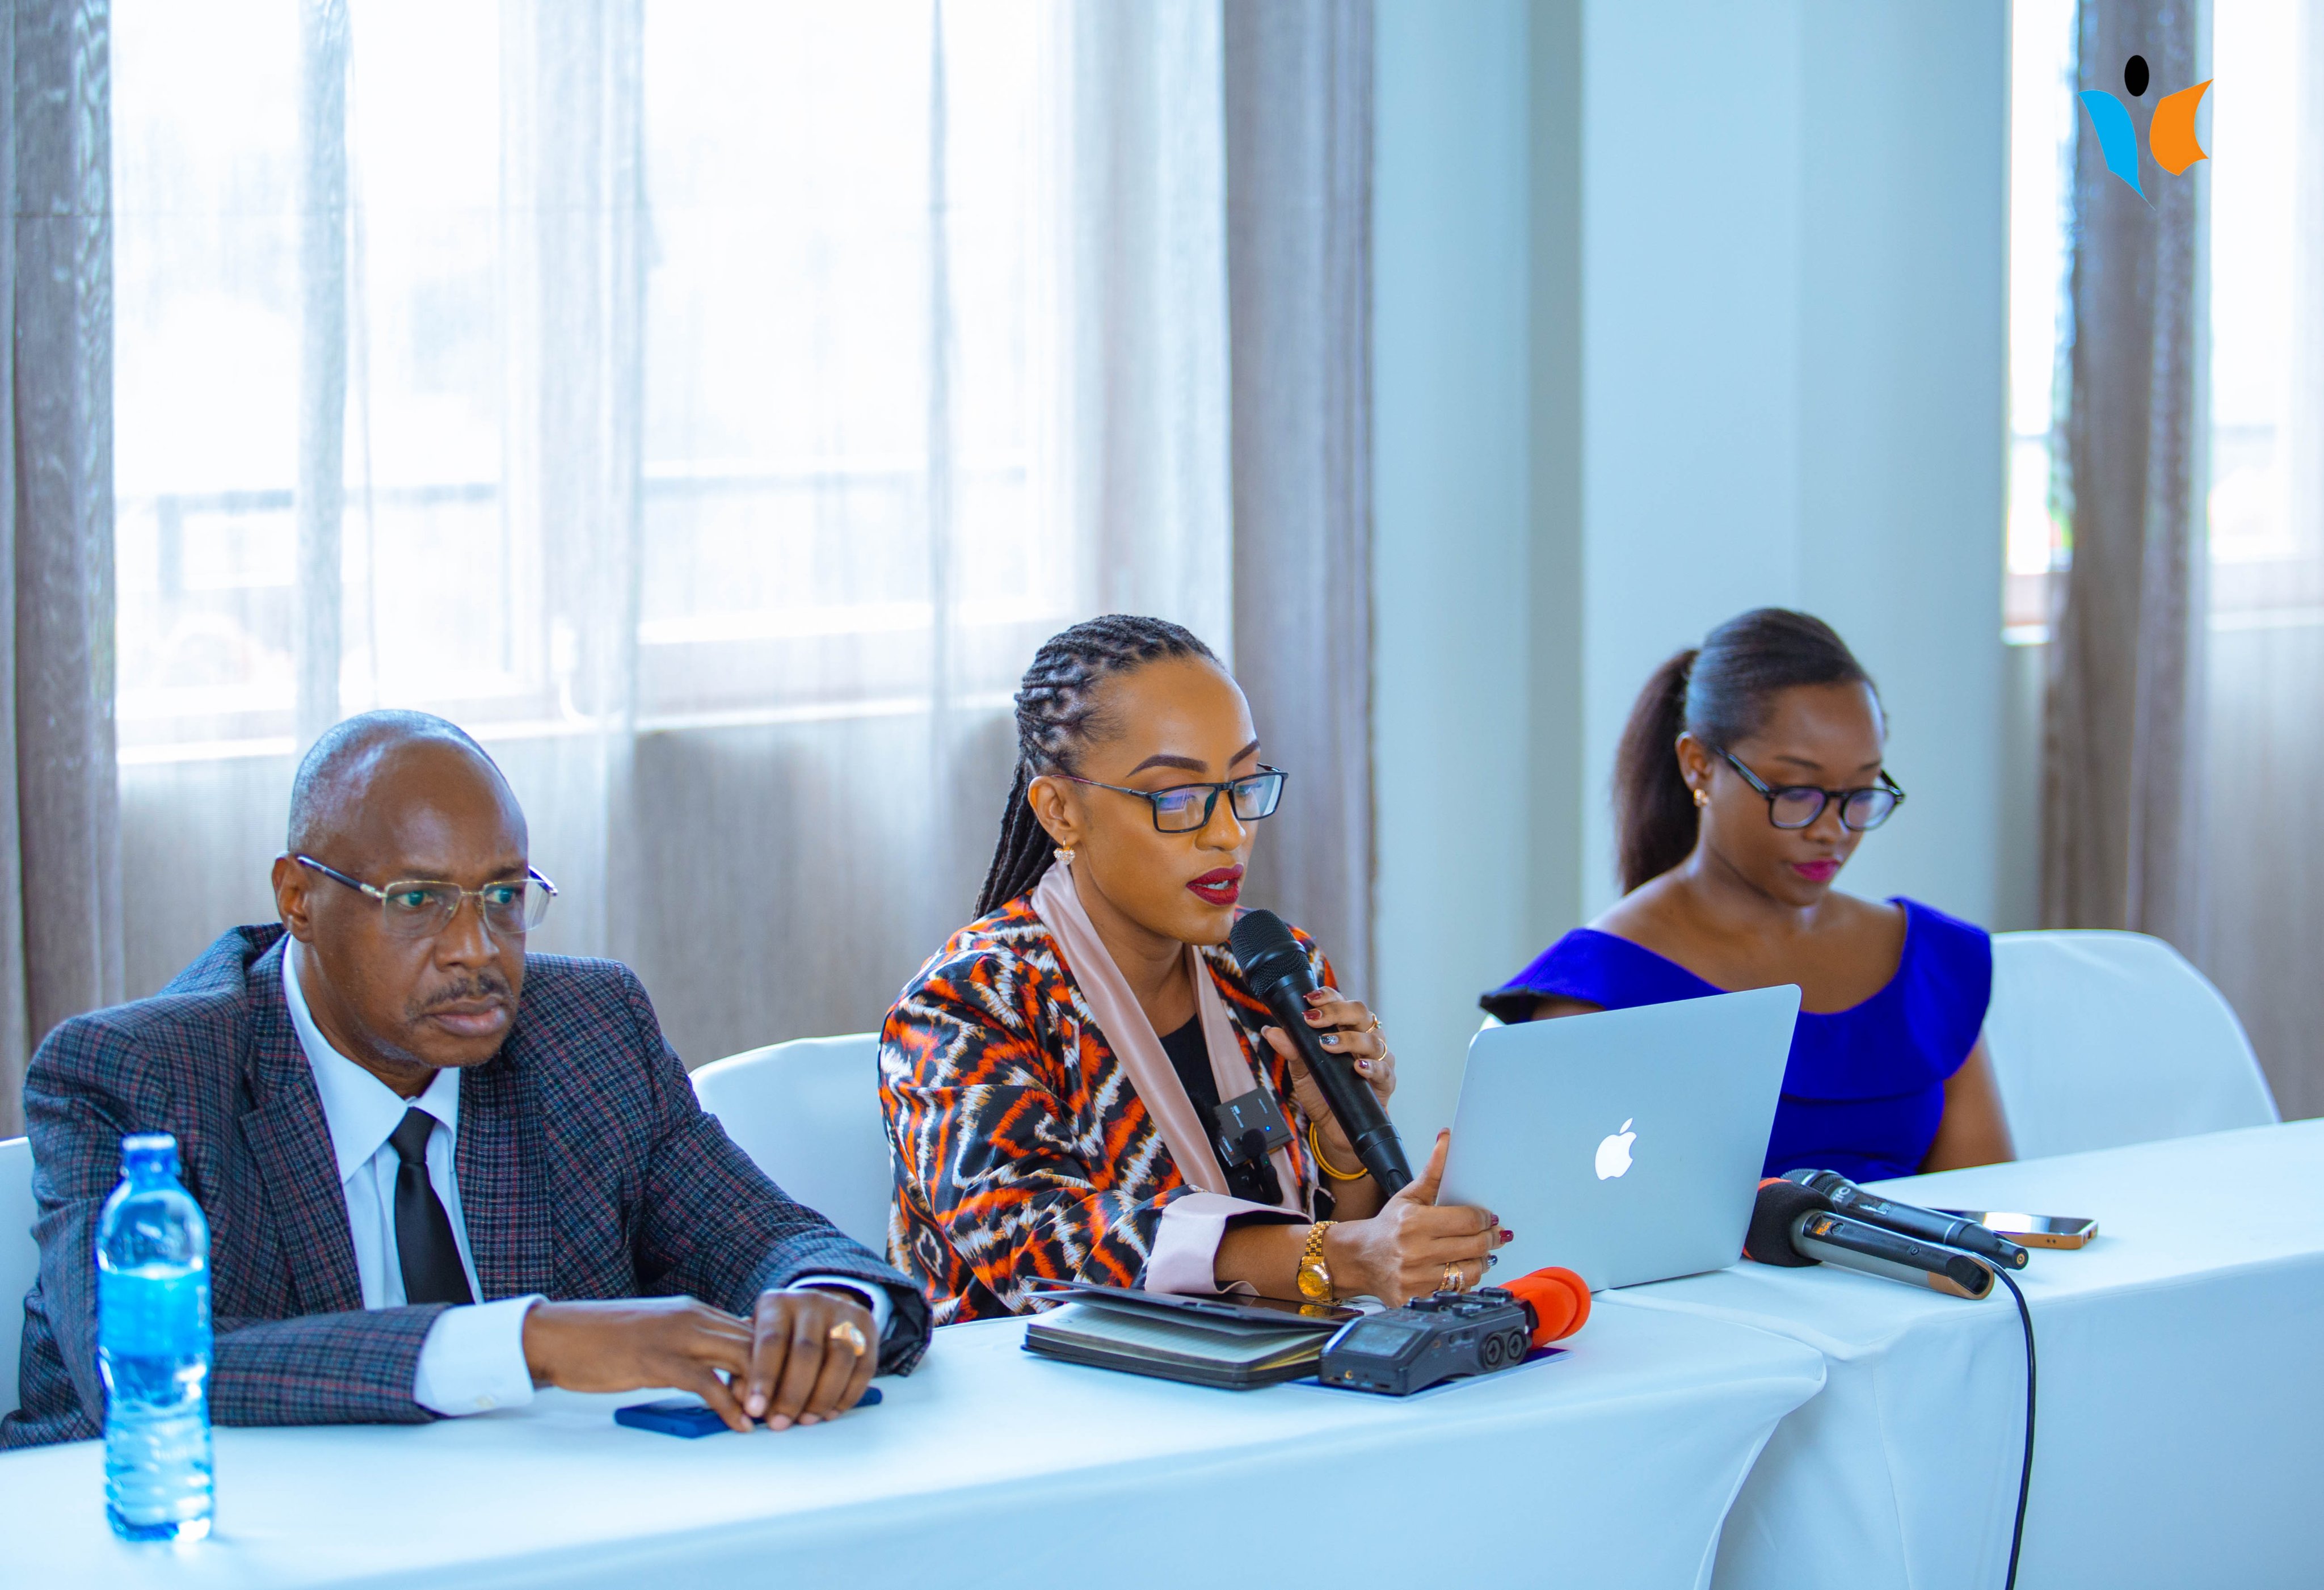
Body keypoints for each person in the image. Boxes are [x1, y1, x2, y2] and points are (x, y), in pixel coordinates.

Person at [3, 711, 929, 1449]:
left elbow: (771, 1239)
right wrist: (533, 1342)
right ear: (297, 899)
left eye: (503, 896)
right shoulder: (136, 1077)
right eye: (418, 901)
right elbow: (137, 1368)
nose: (476, 949)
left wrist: (830, 1304)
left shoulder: (589, 1032)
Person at [882, 616, 1506, 1324]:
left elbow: (1338, 1255)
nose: (1229, 832)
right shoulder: (966, 1004)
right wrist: (1342, 1257)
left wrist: (1342, 1150)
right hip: (1047, 1385)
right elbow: (1039, 1249)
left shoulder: (1269, 970)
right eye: (1177, 799)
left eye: (1243, 785)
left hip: (1271, 1372)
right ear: (1061, 811)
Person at [1481, 609, 2013, 1182]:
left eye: (1860, 793)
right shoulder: (1595, 990)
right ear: (1698, 767)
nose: (1832, 829)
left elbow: (1985, 1203)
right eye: (1796, 791)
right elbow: (1555, 1216)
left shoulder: (1929, 965)